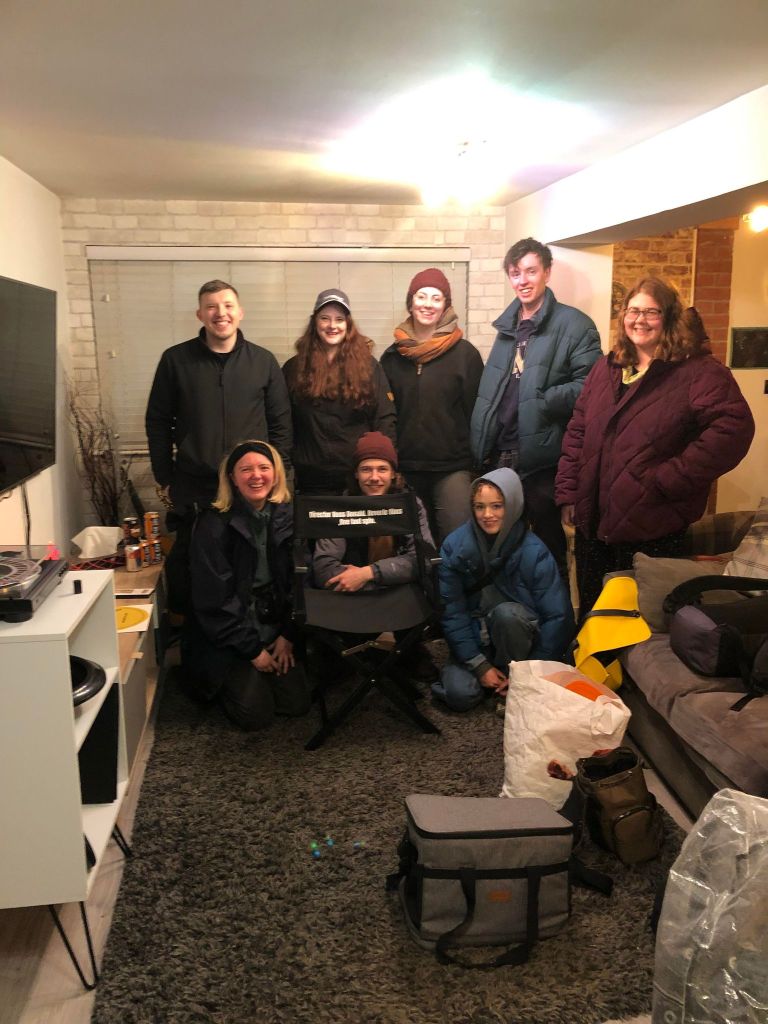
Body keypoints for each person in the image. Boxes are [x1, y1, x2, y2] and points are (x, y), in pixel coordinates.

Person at [556, 278, 755, 617]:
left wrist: (669, 478)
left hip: (652, 527)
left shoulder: (697, 371)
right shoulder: (608, 367)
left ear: (670, 317)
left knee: (642, 625)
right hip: (595, 526)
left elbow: (733, 429)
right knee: (596, 620)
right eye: (633, 310)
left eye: (651, 311)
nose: (640, 319)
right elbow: (578, 430)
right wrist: (569, 493)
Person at [145, 279, 292, 615]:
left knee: (251, 565)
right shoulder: (175, 360)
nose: (220, 313)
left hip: (251, 486)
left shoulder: (263, 361)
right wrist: (164, 476)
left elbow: (281, 424)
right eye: (211, 306)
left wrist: (280, 476)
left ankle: (255, 631)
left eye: (227, 305)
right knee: (195, 570)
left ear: (240, 312)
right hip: (196, 486)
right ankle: (199, 636)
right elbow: (158, 421)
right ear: (200, 314)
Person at [470, 238, 601, 577]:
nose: (523, 280)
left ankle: (552, 609)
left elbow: (591, 387)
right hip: (500, 454)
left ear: (547, 272)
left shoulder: (576, 325)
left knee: (546, 550)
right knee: (501, 547)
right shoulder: (507, 327)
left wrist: (542, 399)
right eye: (516, 273)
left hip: (543, 460)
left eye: (531, 271)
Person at [181, 440, 310, 730]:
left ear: (275, 474)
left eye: (264, 468)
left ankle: (261, 673)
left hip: (274, 625)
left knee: (297, 705)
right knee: (255, 716)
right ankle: (230, 676)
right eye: (246, 469)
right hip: (231, 632)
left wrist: (288, 634)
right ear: (232, 478)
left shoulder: (288, 517)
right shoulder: (212, 525)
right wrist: (252, 651)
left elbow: (300, 581)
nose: (256, 476)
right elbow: (213, 600)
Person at [434, 468, 574, 712]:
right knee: (460, 696)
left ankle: (514, 676)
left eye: (497, 506)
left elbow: (558, 616)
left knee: (507, 615)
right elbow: (452, 612)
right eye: (479, 507)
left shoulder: (534, 551)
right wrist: (478, 664)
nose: (487, 515)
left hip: (518, 636)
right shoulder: (454, 546)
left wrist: (530, 672)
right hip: (476, 635)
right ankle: (491, 674)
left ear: (513, 506)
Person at [311, 431, 437, 681]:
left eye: (382, 469)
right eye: (366, 469)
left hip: (397, 594)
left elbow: (424, 560)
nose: (375, 477)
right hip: (352, 596)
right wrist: (365, 579)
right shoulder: (341, 507)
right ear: (356, 474)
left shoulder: (411, 505)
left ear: (394, 474)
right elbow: (323, 568)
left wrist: (368, 573)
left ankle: (406, 651)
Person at [380, 268, 483, 544]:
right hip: (406, 469)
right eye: (421, 296)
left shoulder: (465, 355)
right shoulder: (392, 358)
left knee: (457, 545)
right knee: (413, 548)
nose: (428, 304)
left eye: (436, 298)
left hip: (452, 468)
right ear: (411, 302)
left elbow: (476, 415)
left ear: (446, 305)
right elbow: (386, 416)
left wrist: (477, 464)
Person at [283, 288, 396, 494]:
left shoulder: (369, 367)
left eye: (339, 319)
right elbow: (284, 424)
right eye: (325, 318)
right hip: (310, 481)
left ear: (348, 324)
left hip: (358, 482)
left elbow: (384, 419)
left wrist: (382, 467)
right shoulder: (294, 369)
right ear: (315, 322)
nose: (332, 325)